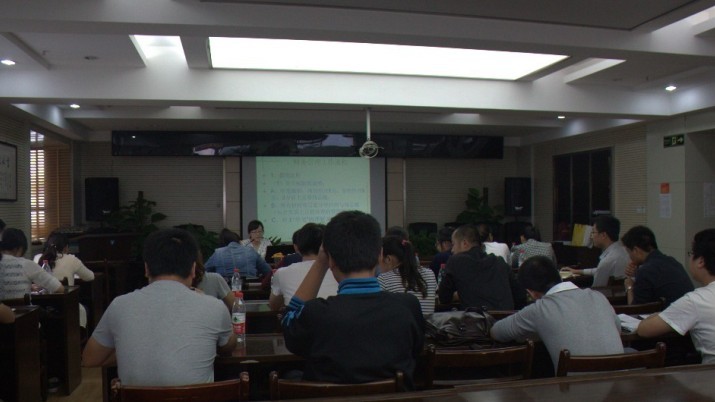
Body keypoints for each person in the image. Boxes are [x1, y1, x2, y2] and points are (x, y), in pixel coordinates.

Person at [281, 211, 424, 388]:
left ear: (330, 260)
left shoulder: (315, 313)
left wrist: (320, 263)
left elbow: (288, 325)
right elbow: (416, 352)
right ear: (380, 255)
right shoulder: (408, 306)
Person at [82, 228, 236, 386]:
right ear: (193, 269)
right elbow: (228, 346)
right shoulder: (214, 307)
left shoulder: (119, 306)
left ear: (146, 269)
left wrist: (130, 348)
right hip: (197, 396)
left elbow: (90, 359)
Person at [490, 255, 624, 369]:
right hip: (619, 383)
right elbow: (617, 329)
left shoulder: (540, 309)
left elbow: (497, 332)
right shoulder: (598, 296)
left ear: (531, 293)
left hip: (576, 389)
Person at [637, 229, 715, 364]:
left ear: (701, 261)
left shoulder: (696, 300)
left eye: (691, 253)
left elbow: (644, 330)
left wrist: (657, 315)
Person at [438, 224, 525, 310]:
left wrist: (457, 295)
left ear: (464, 243)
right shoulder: (499, 261)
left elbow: (444, 298)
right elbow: (519, 294)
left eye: (453, 244)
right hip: (506, 317)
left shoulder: (455, 261)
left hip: (476, 317)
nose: (452, 250)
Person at [622, 225, 693, 306]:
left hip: (670, 312)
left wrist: (629, 287)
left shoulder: (645, 271)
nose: (630, 256)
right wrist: (636, 273)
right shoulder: (672, 261)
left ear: (635, 250)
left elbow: (635, 309)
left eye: (629, 252)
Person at [270, 223, 336, 310]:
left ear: (298, 248)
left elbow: (274, 306)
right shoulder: (338, 271)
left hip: (298, 318)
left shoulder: (281, 273)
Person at [561, 215, 630, 287]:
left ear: (603, 235)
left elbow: (596, 289)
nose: (591, 236)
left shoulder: (607, 261)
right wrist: (576, 271)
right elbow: (600, 270)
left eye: (593, 232)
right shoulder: (625, 252)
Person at [378, 235, 437, 315]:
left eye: (379, 257)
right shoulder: (430, 273)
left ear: (388, 259)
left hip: (400, 323)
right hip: (426, 323)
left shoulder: (383, 279)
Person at [0, 228, 64, 299]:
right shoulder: (26, 264)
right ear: (20, 248)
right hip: (23, 306)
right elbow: (59, 288)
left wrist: (27, 286)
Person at [206, 228, 271, 279]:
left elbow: (203, 271)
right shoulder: (250, 250)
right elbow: (268, 271)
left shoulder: (218, 253)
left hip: (224, 290)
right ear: (238, 240)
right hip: (251, 289)